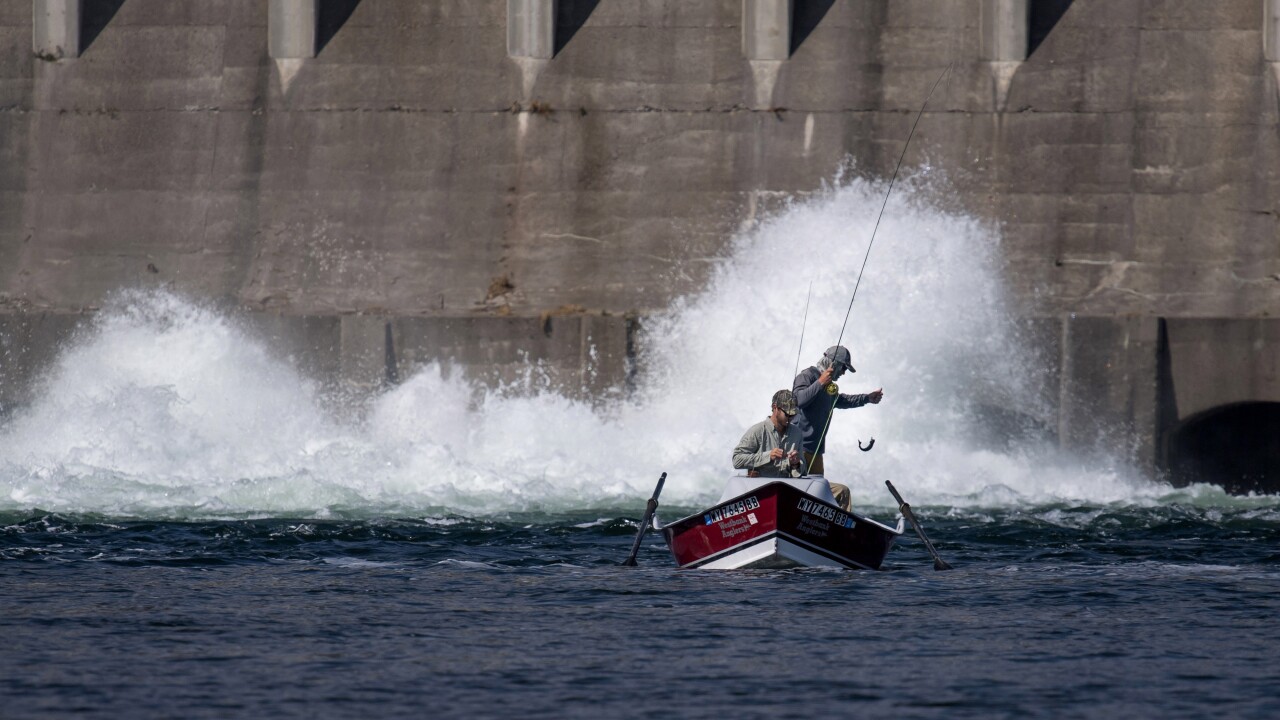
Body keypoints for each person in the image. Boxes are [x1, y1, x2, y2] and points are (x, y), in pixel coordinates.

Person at [792, 345, 884, 511]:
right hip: (798, 449)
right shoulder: (807, 376)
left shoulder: (829, 386)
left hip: (816, 451)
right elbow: (799, 400)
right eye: (843, 368)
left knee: (817, 497)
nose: (843, 373)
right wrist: (820, 382)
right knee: (798, 493)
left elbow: (840, 400)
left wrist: (867, 398)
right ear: (832, 363)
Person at [732, 389, 805, 478]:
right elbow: (736, 460)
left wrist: (796, 464)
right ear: (775, 408)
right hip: (761, 489)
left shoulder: (797, 433)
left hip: (787, 488)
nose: (791, 419)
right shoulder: (757, 431)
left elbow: (804, 470)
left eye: (793, 415)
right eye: (787, 414)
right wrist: (768, 456)